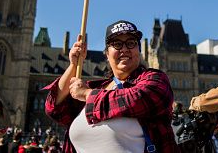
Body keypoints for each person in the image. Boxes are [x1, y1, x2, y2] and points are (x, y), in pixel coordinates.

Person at [44, 20, 177, 153]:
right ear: (107, 54)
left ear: (139, 51)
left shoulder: (155, 79)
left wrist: (86, 94)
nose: (124, 49)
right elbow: (54, 108)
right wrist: (73, 65)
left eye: (131, 43)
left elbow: (138, 98)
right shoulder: (97, 88)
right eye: (117, 44)